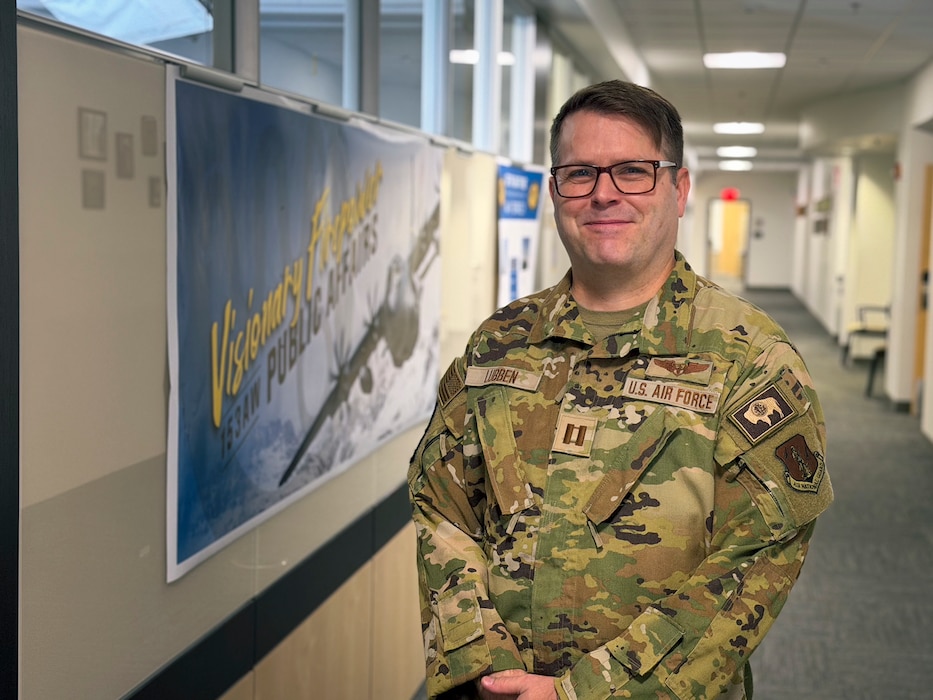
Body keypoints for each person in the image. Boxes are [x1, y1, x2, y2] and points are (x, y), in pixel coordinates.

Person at [408, 79, 833, 700]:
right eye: (579, 173)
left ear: (678, 189)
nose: (603, 194)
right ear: (556, 191)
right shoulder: (499, 343)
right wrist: (485, 668)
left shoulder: (749, 358)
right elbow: (441, 504)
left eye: (633, 171)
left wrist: (582, 693)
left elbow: (754, 561)